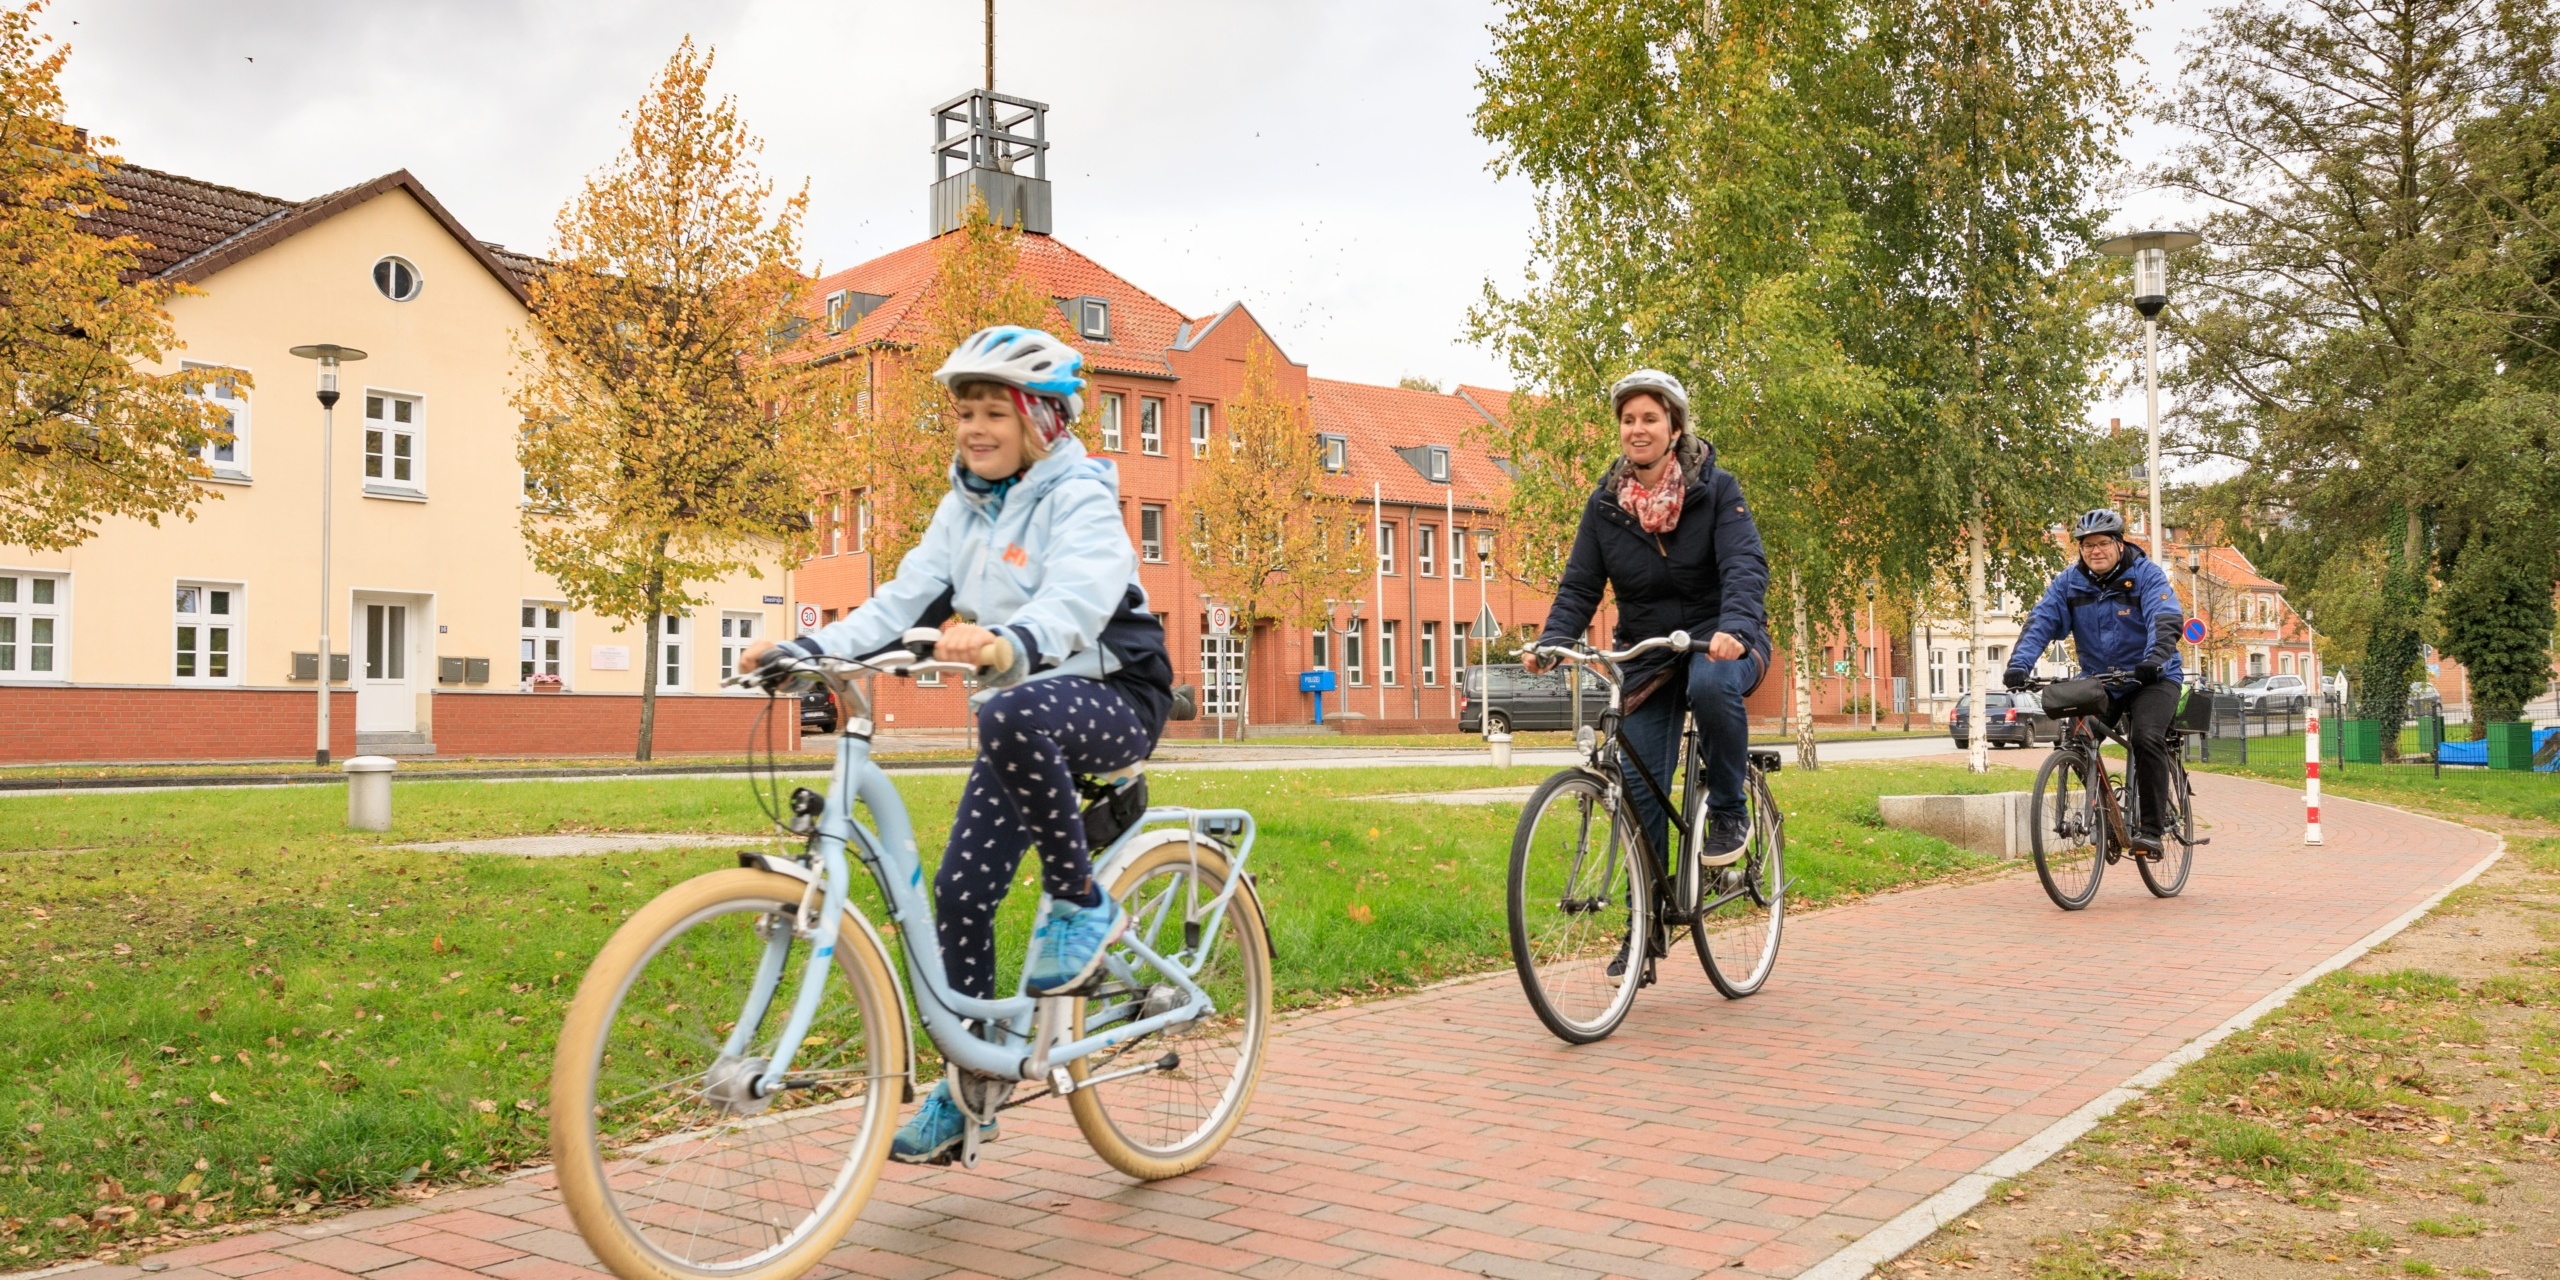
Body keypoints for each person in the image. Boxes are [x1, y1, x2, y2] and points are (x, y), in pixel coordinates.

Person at [745, 325, 1174, 1164]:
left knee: (1005, 713)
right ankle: (971, 1079)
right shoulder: (962, 509)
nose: (975, 428)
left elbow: (1081, 598)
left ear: (1041, 419)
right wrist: (805, 649)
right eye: (965, 413)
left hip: (1114, 694)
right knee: (958, 892)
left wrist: (1008, 641)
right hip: (1028, 713)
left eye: (993, 412)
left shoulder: (1079, 496)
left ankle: (1081, 904)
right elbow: (901, 599)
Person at [1525, 369, 1771, 972]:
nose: (1638, 429)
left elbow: (1745, 566)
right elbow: (1581, 585)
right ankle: (1646, 928)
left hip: (1721, 642)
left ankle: (1731, 810)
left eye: (1650, 418)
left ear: (1674, 427)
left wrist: (1734, 632)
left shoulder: (1718, 491)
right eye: (1628, 419)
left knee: (1712, 687)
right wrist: (1554, 640)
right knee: (1640, 790)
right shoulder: (1606, 506)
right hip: (1650, 652)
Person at [2003, 509, 2184, 853]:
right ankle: (2103, 813)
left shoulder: (2146, 575)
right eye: (2087, 546)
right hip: (2102, 680)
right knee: (2078, 739)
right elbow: (2041, 621)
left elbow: (2165, 619)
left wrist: (2154, 659)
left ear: (2119, 544)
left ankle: (2151, 828)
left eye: (2102, 543)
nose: (2095, 551)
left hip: (2153, 676)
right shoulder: (2069, 583)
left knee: (2146, 737)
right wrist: (2019, 665)